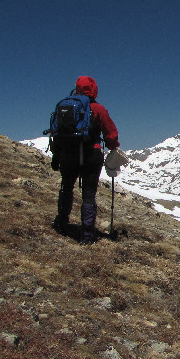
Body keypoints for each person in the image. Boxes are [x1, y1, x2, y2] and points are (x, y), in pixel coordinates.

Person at [51, 76, 120, 244]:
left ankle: (61, 222)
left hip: (68, 156)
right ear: (94, 90)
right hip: (91, 157)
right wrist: (113, 146)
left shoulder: (64, 107)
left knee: (66, 189)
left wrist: (57, 155)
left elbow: (55, 133)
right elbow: (111, 135)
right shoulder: (97, 109)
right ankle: (87, 235)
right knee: (88, 195)